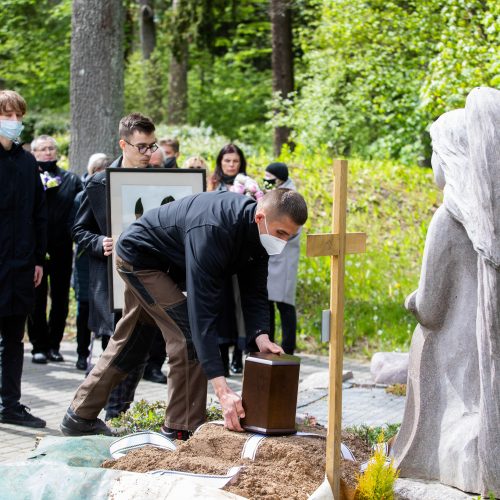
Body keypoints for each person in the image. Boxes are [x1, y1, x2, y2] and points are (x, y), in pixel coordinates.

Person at [61, 188, 308, 439]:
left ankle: (79, 416)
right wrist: (222, 389)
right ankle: (182, 428)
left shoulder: (259, 234)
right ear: (260, 217)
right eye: (281, 233)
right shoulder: (214, 229)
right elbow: (202, 313)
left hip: (166, 267)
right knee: (187, 336)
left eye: (291, 236)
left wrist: (260, 335)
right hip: (141, 259)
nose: (283, 242)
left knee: (130, 343)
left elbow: (254, 291)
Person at [72, 113, 165, 419]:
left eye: (152, 146)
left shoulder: (162, 179)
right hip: (112, 284)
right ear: (123, 144)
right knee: (116, 354)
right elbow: (79, 230)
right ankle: (103, 415)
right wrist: (101, 243)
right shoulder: (99, 182)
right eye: (142, 147)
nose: (149, 153)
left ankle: (117, 415)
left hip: (149, 283)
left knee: (138, 355)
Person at [0, 90, 47, 428]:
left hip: (20, 266)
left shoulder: (28, 161)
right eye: (7, 115)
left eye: (18, 116)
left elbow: (39, 213)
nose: (15, 122)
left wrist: (38, 260)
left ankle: (10, 404)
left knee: (15, 339)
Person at [27, 135, 83, 363]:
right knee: (36, 299)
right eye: (43, 149)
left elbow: (80, 210)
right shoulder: (28, 178)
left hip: (61, 247)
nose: (48, 152)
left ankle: (54, 344)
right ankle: (38, 345)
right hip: (35, 249)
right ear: (34, 153)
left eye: (51, 148)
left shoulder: (70, 179)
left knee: (60, 299)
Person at [72, 154, 111, 370]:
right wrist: (97, 243)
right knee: (84, 308)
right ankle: (82, 352)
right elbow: (77, 228)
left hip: (106, 263)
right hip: (87, 262)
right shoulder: (82, 195)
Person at [263, 162, 301, 354]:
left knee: (285, 304)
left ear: (279, 177)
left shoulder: (291, 196)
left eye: (270, 176)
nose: (266, 179)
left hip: (285, 256)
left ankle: (288, 347)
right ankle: (268, 343)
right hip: (270, 254)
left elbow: (295, 228)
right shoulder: (271, 193)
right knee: (267, 303)